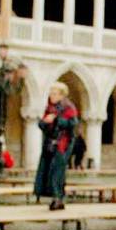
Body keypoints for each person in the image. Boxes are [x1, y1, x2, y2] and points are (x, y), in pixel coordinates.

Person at [34, 81, 79, 211]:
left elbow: (73, 124)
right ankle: (56, 198)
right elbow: (42, 124)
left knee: (57, 171)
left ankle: (58, 199)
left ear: (61, 95)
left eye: (54, 93)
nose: (51, 96)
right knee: (48, 170)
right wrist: (45, 122)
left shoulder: (69, 107)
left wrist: (57, 120)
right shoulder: (50, 108)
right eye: (51, 93)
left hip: (63, 144)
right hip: (50, 143)